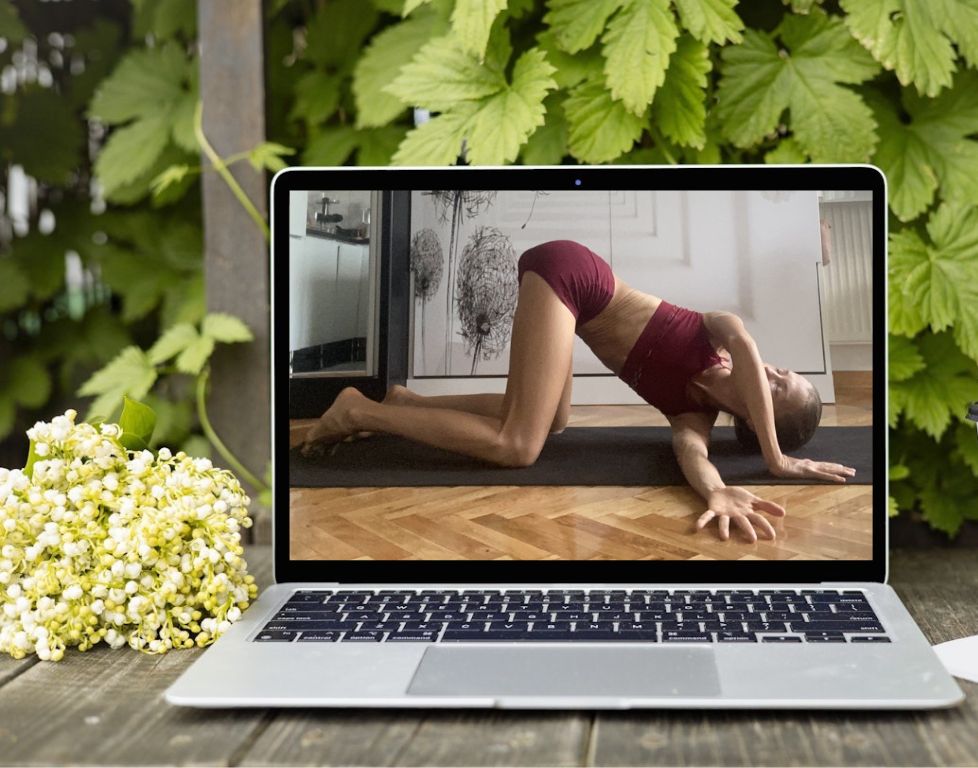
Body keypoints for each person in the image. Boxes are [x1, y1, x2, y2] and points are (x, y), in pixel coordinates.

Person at [301, 240, 855, 542]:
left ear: (762, 419)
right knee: (519, 446)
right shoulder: (718, 335)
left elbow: (694, 458)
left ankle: (406, 404)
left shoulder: (693, 414)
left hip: (572, 305)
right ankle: (355, 411)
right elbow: (751, 351)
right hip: (572, 274)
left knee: (552, 420)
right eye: (786, 372)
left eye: (786, 386)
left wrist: (717, 492)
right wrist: (777, 461)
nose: (779, 372)